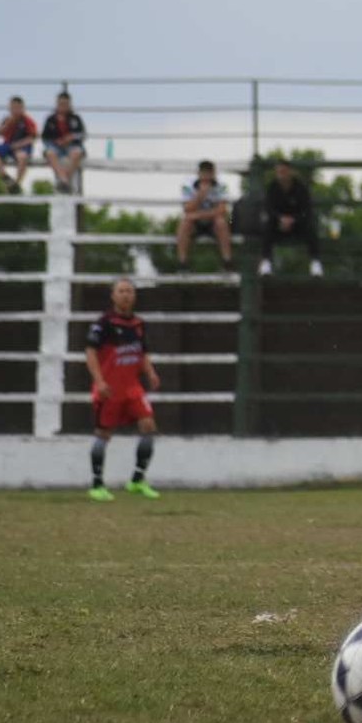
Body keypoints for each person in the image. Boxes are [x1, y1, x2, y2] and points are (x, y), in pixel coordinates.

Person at [86, 278, 162, 501]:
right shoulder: (104, 324)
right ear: (113, 296)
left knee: (148, 425)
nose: (126, 295)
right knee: (103, 434)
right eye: (121, 291)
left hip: (132, 388)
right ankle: (97, 484)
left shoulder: (138, 324)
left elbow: (142, 351)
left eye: (129, 291)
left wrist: (150, 372)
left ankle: (137, 479)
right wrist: (99, 381)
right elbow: (90, 353)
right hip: (110, 389)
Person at [259, 158, 322, 277]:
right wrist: (281, 219)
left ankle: (315, 262)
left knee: (311, 227)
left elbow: (307, 210)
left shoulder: (301, 188)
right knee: (267, 226)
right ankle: (266, 262)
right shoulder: (272, 187)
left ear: (290, 172)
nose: (281, 175)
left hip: (297, 225)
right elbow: (269, 208)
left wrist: (293, 219)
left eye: (284, 171)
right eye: (278, 172)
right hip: (278, 226)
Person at [176, 160, 233, 268]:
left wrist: (198, 215)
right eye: (204, 173)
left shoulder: (222, 185)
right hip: (195, 223)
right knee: (185, 223)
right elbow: (187, 209)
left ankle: (227, 260)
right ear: (198, 173)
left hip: (213, 222)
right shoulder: (188, 185)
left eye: (209, 173)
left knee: (221, 222)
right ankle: (182, 262)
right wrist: (200, 196)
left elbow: (222, 210)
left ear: (213, 174)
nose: (206, 177)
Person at [0, 95, 39, 194]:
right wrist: (8, 123)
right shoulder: (7, 119)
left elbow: (32, 137)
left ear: (22, 108)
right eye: (13, 107)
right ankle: (5, 176)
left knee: (22, 156)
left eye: (18, 107)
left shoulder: (27, 121)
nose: (15, 110)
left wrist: (19, 145)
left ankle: (16, 184)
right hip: (8, 145)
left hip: (22, 146)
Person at [41, 92, 87, 194]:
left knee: (77, 152)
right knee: (49, 153)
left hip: (72, 146)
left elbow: (82, 134)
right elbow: (44, 137)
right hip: (55, 147)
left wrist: (71, 138)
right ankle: (65, 180)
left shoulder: (75, 118)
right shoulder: (50, 119)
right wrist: (56, 141)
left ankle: (64, 180)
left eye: (65, 104)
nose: (63, 106)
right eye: (61, 104)